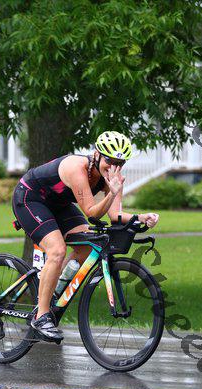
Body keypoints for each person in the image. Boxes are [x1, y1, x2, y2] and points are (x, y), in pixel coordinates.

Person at [12, 131, 159, 342]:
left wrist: (141, 217)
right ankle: (41, 317)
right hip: (30, 198)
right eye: (109, 160)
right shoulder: (77, 168)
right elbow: (91, 213)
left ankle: (53, 291)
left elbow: (115, 216)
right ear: (97, 154)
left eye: (120, 163)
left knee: (88, 247)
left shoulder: (113, 178)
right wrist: (111, 193)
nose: (113, 166)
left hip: (59, 204)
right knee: (57, 250)